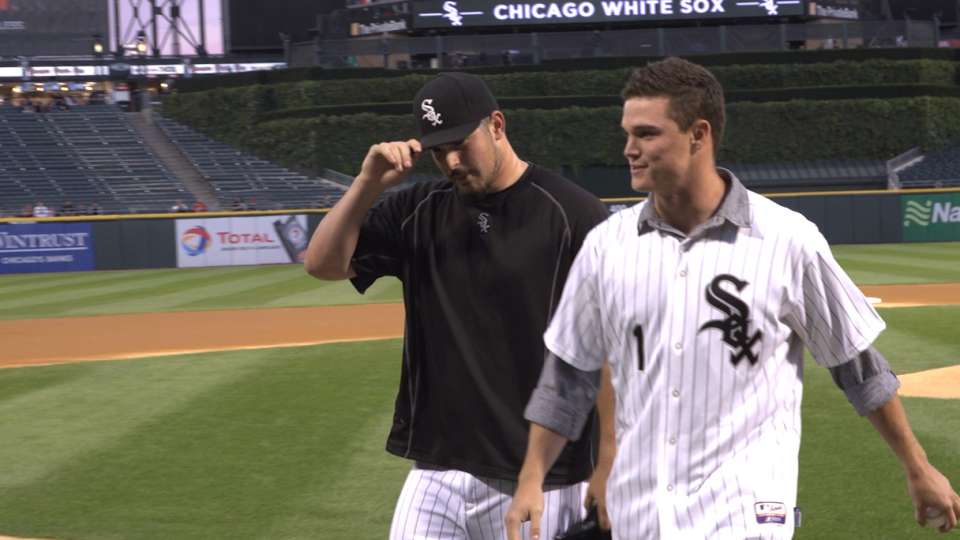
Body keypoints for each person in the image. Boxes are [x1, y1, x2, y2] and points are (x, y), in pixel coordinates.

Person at [505, 57, 960, 540]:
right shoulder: (606, 247)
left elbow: (857, 366)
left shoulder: (787, 240)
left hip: (744, 509)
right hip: (641, 511)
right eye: (628, 133)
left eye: (646, 134)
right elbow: (568, 379)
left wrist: (918, 466)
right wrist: (531, 480)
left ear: (698, 135)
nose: (629, 150)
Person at [304, 72, 614, 540]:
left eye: (459, 143)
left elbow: (612, 349)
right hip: (436, 470)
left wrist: (609, 462)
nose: (450, 160)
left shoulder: (573, 214)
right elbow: (322, 264)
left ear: (496, 125)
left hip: (540, 475)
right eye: (437, 149)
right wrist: (368, 184)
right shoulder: (417, 210)